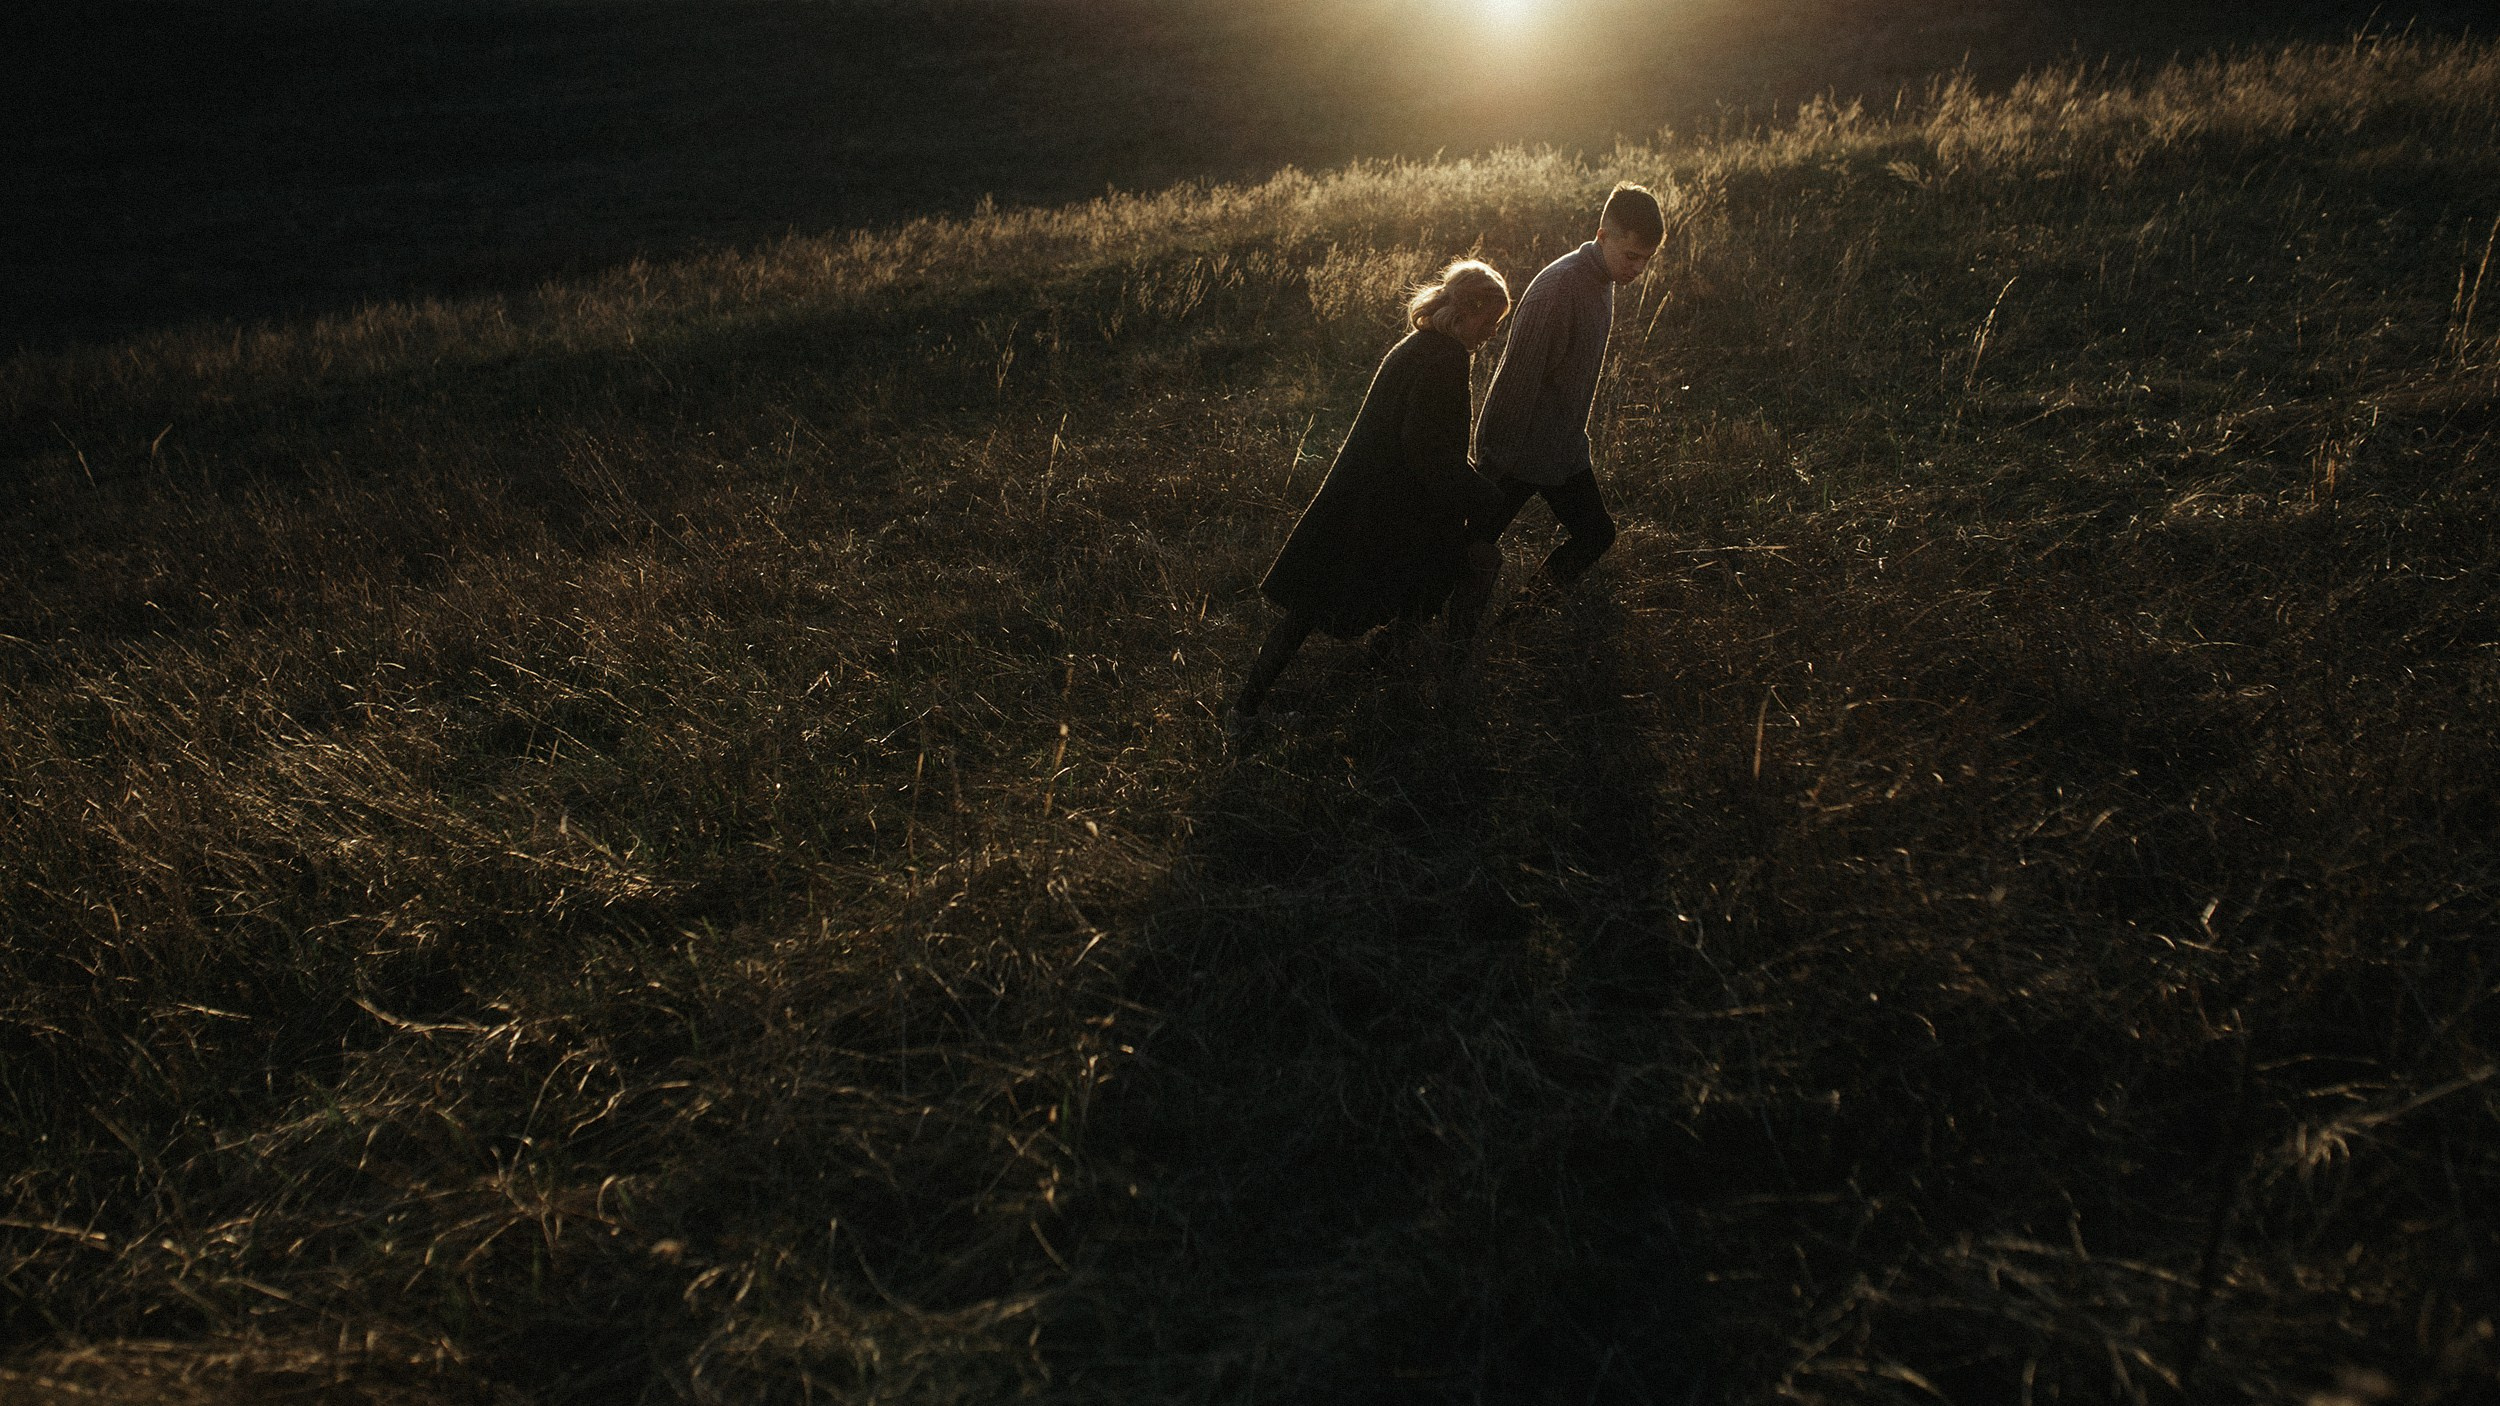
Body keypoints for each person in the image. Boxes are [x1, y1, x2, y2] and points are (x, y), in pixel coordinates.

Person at [1231, 258, 1511, 724]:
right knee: (1458, 571)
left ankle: (1247, 707)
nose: (1491, 334)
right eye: (1490, 321)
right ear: (1467, 310)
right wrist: (1481, 494)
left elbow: (1428, 440)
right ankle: (1426, 689)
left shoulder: (1420, 344)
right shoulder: (1445, 357)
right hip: (1389, 511)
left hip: (1362, 500)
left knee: (1309, 610)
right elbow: (1426, 448)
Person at [1468, 182, 1664, 590]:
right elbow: (1515, 384)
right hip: (1516, 453)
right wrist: (1492, 465)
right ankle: (1403, 639)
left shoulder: (1604, 279)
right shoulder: (1557, 291)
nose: (1637, 269)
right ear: (1602, 236)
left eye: (1646, 260)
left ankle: (1521, 618)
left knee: (1596, 535)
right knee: (1465, 551)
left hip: (1564, 451)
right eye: (1631, 256)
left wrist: (1574, 444)